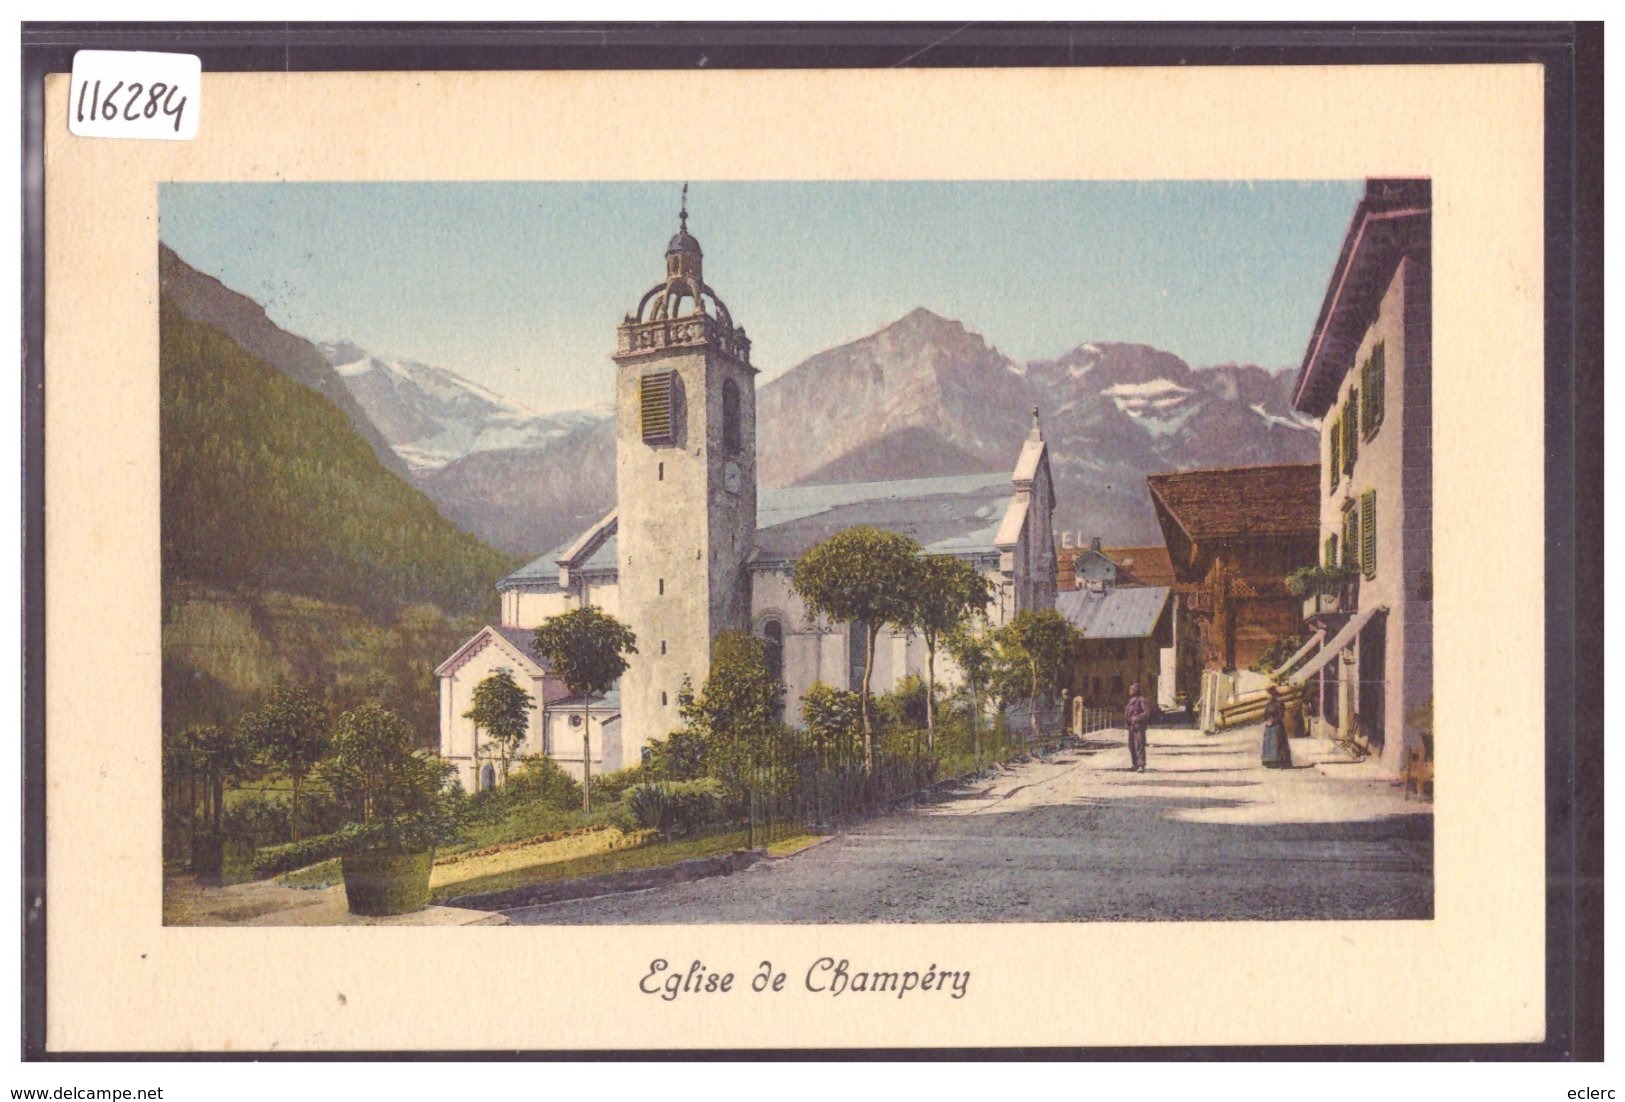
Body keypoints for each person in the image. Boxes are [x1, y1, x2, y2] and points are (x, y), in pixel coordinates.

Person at [1261, 684, 1294, 768]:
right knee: (1268, 743)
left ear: (1272, 693)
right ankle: (1270, 762)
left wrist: (1273, 721)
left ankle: (1280, 762)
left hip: (1277, 726)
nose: (1267, 695)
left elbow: (1281, 715)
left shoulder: (1279, 703)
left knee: (1277, 743)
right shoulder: (1269, 703)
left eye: (1268, 693)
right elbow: (1265, 714)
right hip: (1269, 726)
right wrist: (1266, 721)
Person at [1124, 682, 1151, 772]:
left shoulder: (1142, 700)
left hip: (1139, 727)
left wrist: (1136, 718)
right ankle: (1134, 764)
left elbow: (1146, 713)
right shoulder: (1131, 700)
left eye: (1131, 689)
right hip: (1131, 727)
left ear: (1135, 690)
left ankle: (1141, 765)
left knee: (1139, 745)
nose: (1129, 691)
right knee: (1131, 746)